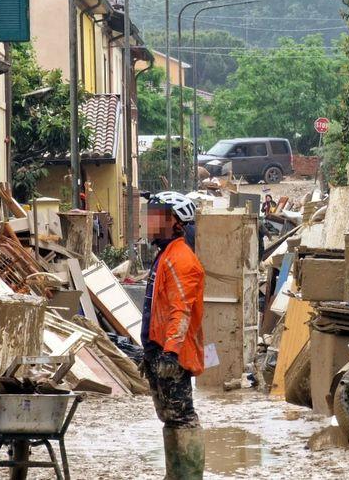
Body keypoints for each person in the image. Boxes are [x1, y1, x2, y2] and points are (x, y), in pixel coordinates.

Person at [139, 191, 205, 479]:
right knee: (170, 417)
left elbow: (181, 311)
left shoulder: (181, 259)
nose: (150, 224)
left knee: (182, 417)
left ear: (176, 222)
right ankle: (175, 475)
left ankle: (188, 476)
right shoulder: (165, 255)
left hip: (173, 354)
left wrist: (170, 353)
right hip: (161, 350)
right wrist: (151, 351)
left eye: (157, 218)